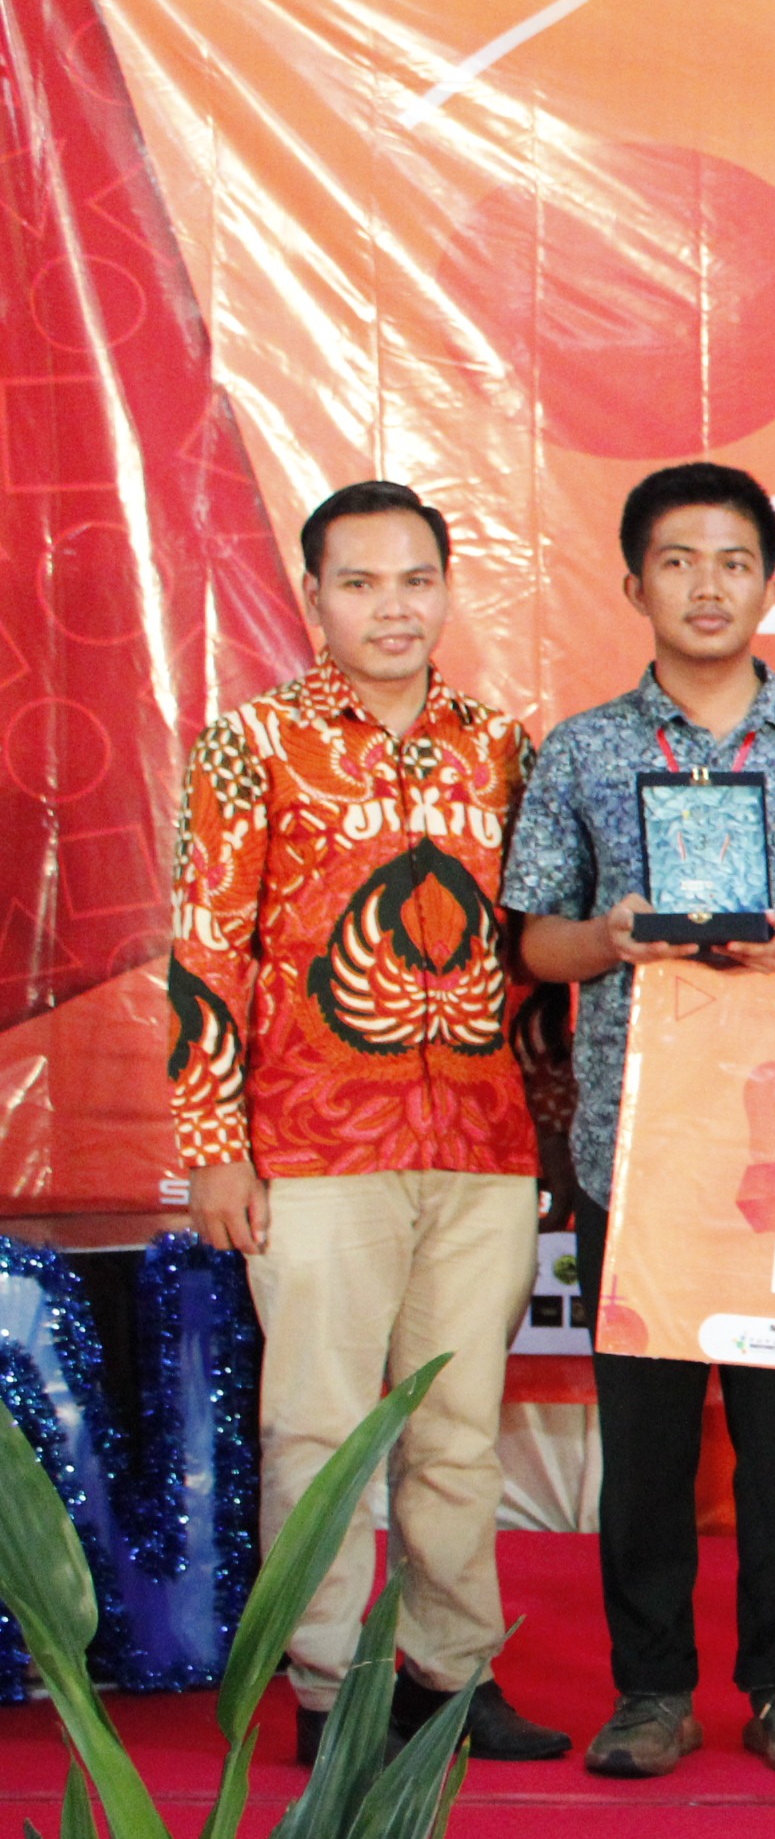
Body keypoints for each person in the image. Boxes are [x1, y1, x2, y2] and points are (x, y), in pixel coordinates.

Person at [509, 463, 775, 1779]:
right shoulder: (583, 750)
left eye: (734, 560)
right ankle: (652, 1689)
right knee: (647, 1440)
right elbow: (537, 943)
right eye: (678, 561)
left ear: (771, 582)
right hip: (637, 1141)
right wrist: (612, 938)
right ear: (636, 584)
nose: (707, 585)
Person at [170, 481, 569, 1766]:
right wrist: (214, 1146)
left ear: (447, 590)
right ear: (314, 598)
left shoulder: (503, 748)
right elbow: (208, 951)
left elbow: (532, 957)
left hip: (481, 1144)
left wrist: (552, 1131)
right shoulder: (252, 745)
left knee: (459, 1430)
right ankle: (330, 1692)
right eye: (360, 583)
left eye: (415, 581)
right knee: (320, 1430)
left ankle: (454, 1678)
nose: (392, 609)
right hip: (314, 1146)